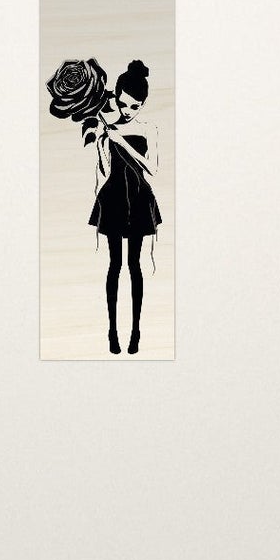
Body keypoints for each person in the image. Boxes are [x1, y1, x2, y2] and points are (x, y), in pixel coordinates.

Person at [88, 60, 161, 353]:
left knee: (135, 265)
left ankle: (136, 332)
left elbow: (153, 168)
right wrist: (104, 145)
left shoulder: (149, 129)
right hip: (114, 200)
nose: (127, 111)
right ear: (116, 97)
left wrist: (123, 141)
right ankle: (112, 332)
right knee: (114, 265)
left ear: (142, 105)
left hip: (140, 200)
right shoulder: (108, 127)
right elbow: (104, 171)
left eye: (134, 107)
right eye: (123, 104)